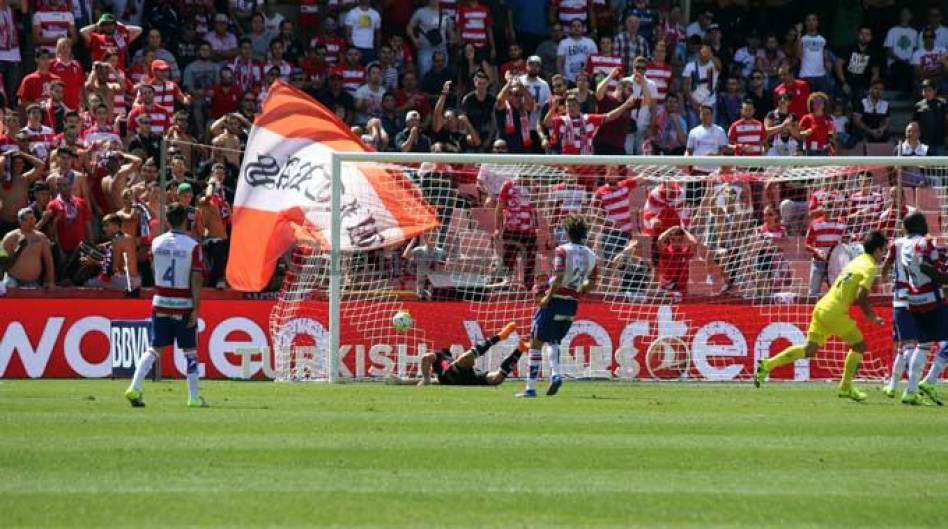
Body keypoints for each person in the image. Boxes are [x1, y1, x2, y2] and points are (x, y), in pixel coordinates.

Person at [755, 230, 889, 401]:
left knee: (809, 349)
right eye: (883, 250)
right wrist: (871, 316)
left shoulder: (857, 261)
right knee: (859, 346)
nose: (883, 254)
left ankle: (768, 364)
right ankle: (845, 387)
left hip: (822, 307)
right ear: (877, 250)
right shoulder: (869, 267)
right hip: (834, 312)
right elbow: (862, 296)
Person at [124, 203, 207, 408]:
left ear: (168, 220)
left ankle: (135, 387)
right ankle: (194, 397)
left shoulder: (156, 243)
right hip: (183, 303)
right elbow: (196, 278)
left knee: (154, 348)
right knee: (190, 351)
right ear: (185, 220)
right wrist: (196, 308)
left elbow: (154, 269)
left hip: (160, 301)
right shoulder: (192, 245)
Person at [517, 215, 597, 398]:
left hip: (556, 299)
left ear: (568, 232)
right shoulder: (592, 255)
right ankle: (555, 374)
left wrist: (547, 297)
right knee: (553, 340)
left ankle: (530, 388)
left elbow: (559, 276)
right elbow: (592, 283)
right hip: (572, 304)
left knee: (536, 342)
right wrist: (576, 289)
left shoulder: (562, 251)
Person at [881, 212, 946, 406]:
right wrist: (943, 278)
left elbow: (887, 266)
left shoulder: (899, 244)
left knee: (918, 344)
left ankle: (907, 390)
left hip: (909, 298)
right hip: (931, 298)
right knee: (917, 344)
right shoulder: (926, 243)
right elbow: (928, 266)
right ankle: (928, 381)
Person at [408, 321, 524, 386]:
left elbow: (425, 358)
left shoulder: (443, 360)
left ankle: (502, 338)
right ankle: (519, 349)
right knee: (497, 379)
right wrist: (426, 379)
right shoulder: (439, 365)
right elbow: (425, 359)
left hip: (457, 372)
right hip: (460, 379)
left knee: (464, 359)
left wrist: (426, 379)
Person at [1, 208, 55, 288]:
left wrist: (50, 281)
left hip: (33, 282)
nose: (31, 222)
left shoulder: (41, 238)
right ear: (20, 220)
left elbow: (49, 261)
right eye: (28, 219)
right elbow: (1, 261)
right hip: (13, 281)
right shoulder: (10, 237)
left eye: (33, 219)